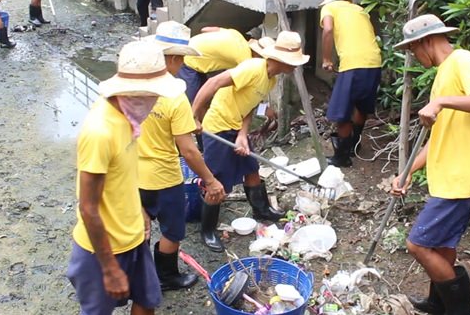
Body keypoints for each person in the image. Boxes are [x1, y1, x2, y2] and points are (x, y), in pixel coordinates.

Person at [390, 14, 470, 315]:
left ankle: (464, 311)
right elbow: (438, 137)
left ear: (425, 41)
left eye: (413, 50)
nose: (414, 57)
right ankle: (437, 304)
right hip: (450, 178)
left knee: (418, 245)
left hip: (461, 178)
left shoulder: (462, 60)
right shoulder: (445, 73)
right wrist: (407, 173)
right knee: (441, 247)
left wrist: (442, 102)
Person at [66, 40, 186, 315]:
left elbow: (122, 179)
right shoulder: (101, 130)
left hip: (133, 237)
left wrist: (139, 213)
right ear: (137, 92)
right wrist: (109, 268)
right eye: (154, 94)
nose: (156, 101)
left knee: (148, 300)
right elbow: (88, 207)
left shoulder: (130, 121)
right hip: (102, 250)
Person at [192, 31, 309, 252]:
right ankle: (207, 231)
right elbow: (213, 83)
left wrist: (242, 135)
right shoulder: (252, 68)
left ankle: (262, 210)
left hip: (235, 127)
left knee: (252, 168)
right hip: (217, 127)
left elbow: (250, 106)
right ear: (280, 60)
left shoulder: (271, 80)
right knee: (217, 182)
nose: (295, 67)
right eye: (293, 62)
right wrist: (194, 114)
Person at [136, 22, 226, 291]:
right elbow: (187, 150)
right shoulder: (175, 93)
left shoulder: (134, 85)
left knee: (140, 228)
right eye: (183, 58)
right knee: (172, 231)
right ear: (174, 58)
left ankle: (140, 276)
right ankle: (165, 277)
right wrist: (210, 180)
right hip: (164, 176)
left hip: (133, 173)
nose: (183, 64)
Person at [319, 0, 382, 167]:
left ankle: (342, 157)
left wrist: (326, 59)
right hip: (374, 61)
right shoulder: (359, 9)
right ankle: (354, 145)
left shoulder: (329, 8)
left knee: (342, 113)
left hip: (353, 63)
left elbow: (328, 29)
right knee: (361, 107)